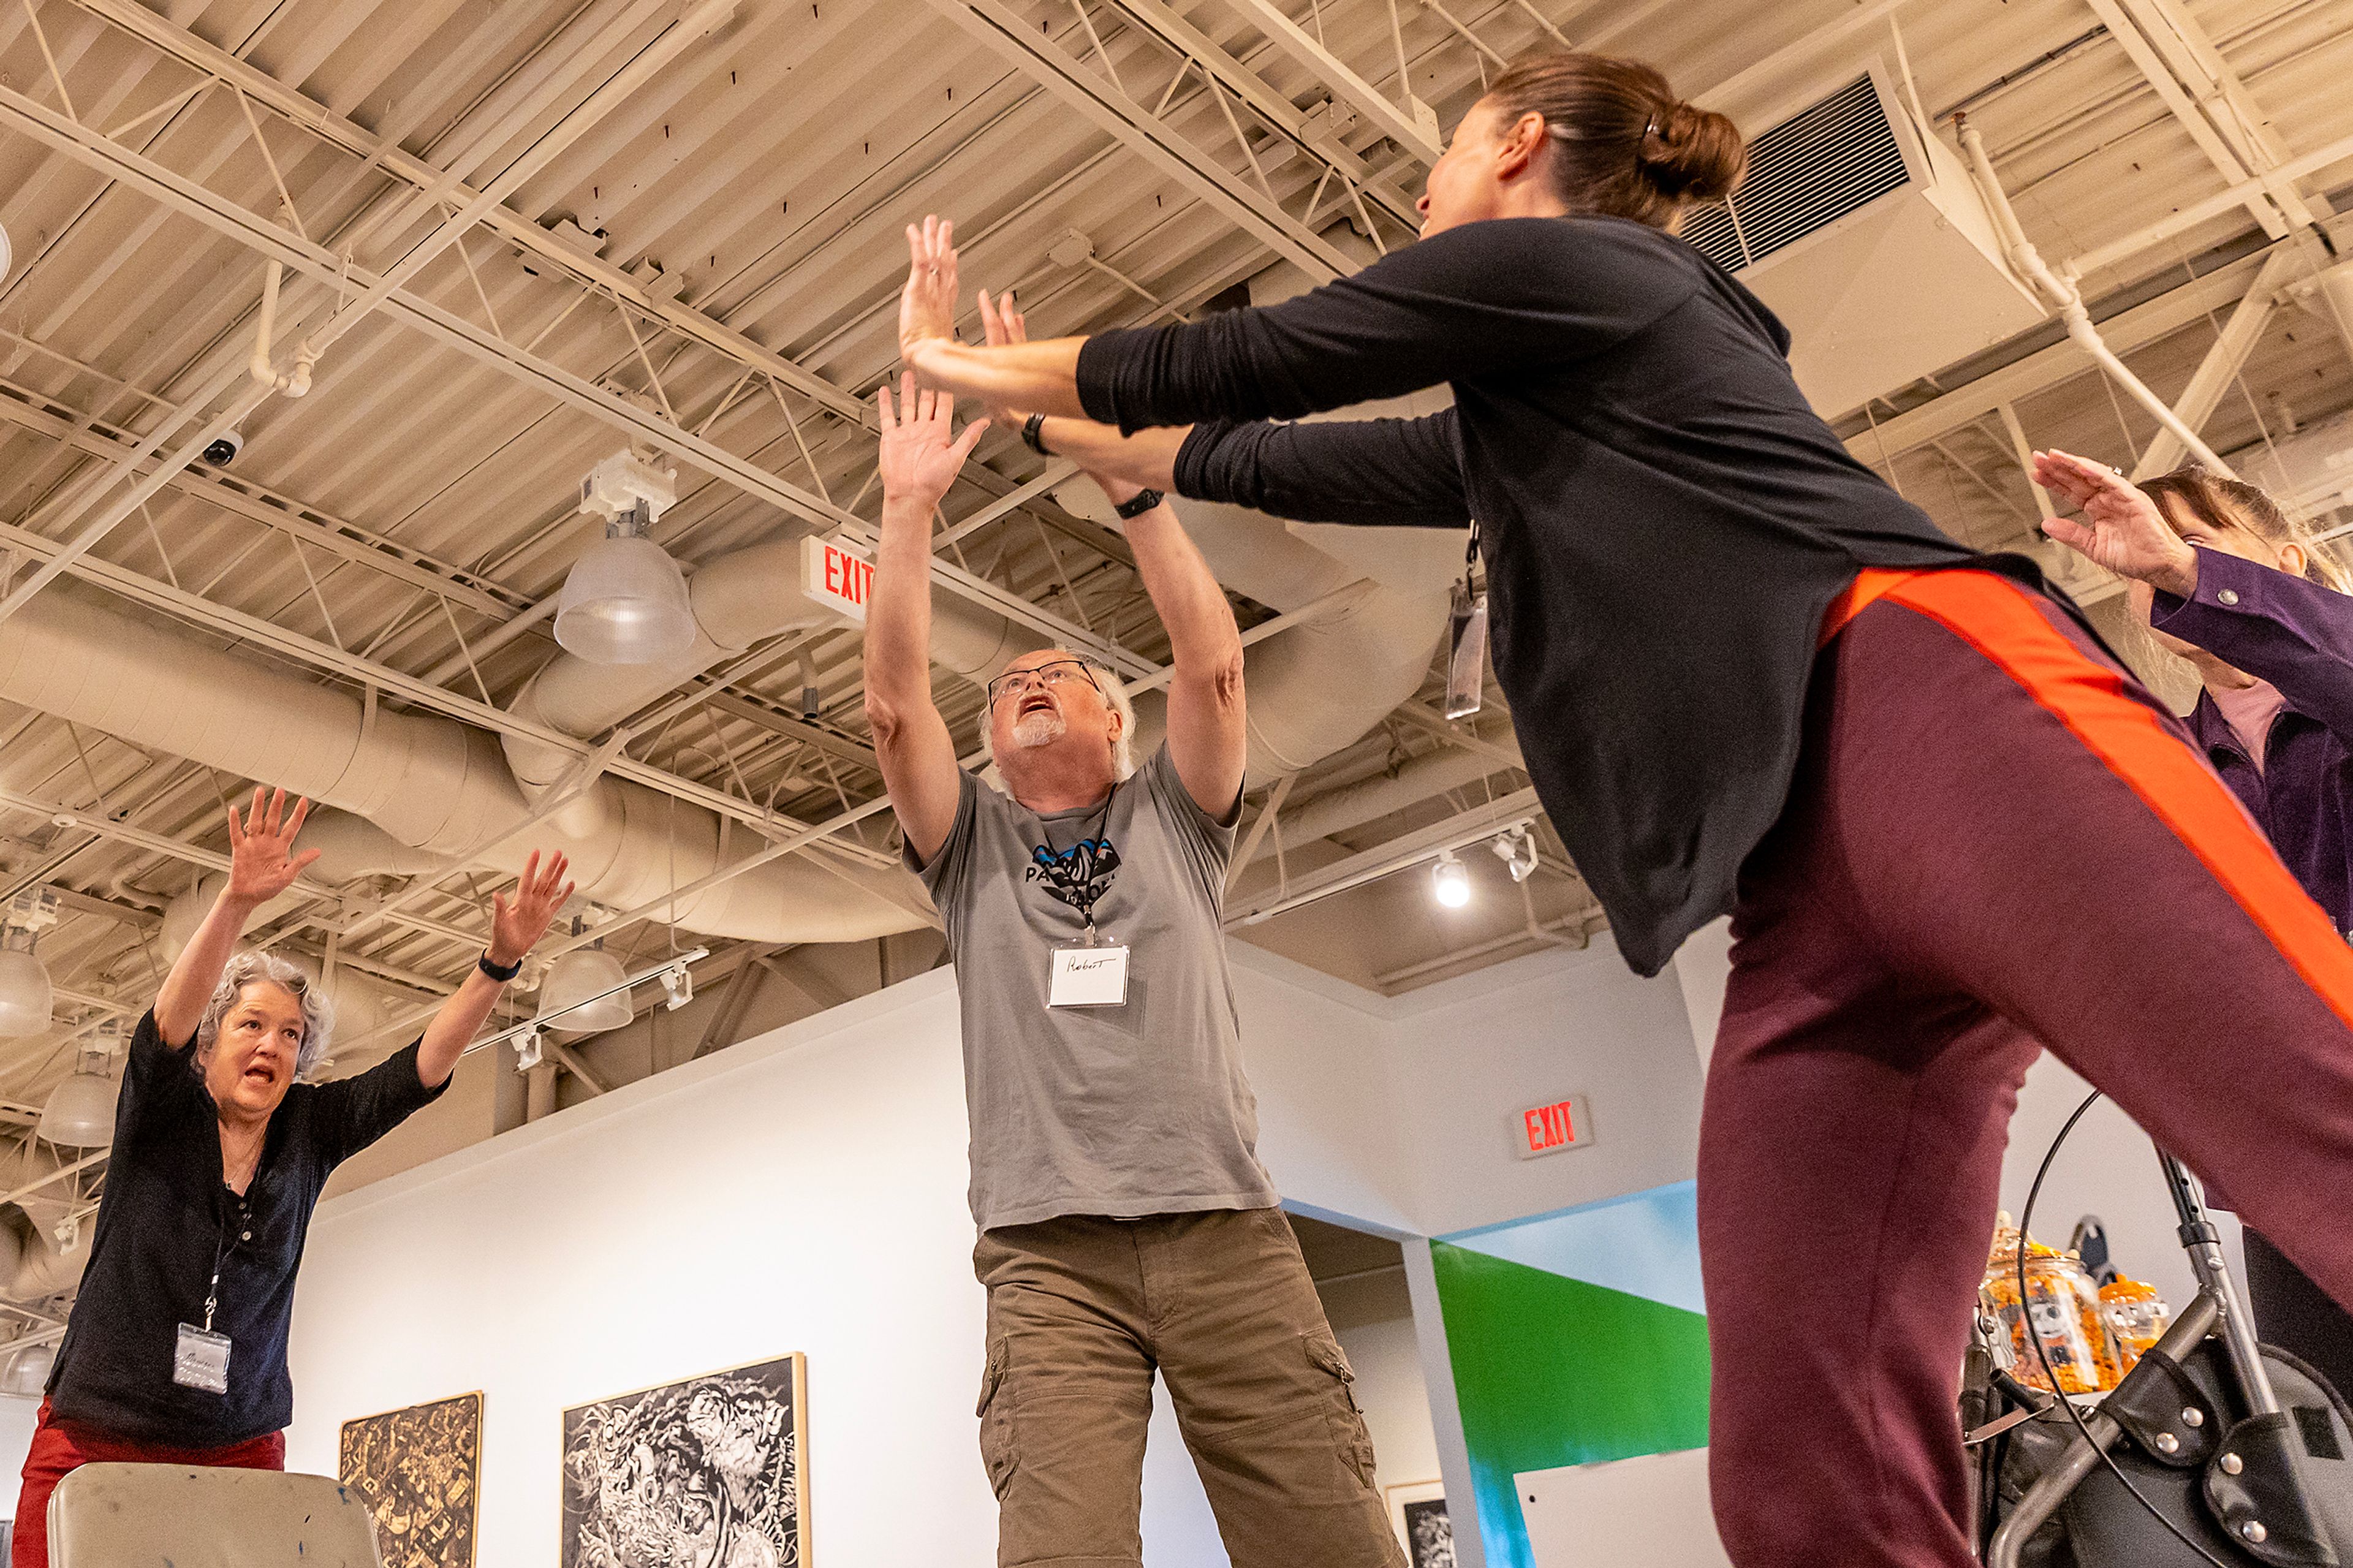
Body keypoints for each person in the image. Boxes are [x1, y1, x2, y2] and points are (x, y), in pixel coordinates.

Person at [895, 47, 2353, 1568]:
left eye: (1444, 153)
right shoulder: (1541, 407)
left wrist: (970, 364)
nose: (1419, 188)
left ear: (1523, 147)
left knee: (2307, 1117)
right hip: (1792, 883)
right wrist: (1120, 455)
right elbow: (1294, 454)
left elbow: (1263, 359)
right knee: (1804, 1466)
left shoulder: (1576, 265)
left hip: (1933, 704)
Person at [862, 358, 1404, 1568]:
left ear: (1118, 722)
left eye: (1058, 674)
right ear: (992, 747)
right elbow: (896, 709)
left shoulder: (1175, 815)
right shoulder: (970, 849)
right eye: (1006, 688)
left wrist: (1134, 487)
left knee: (1334, 1544)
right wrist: (906, 511)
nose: (1029, 684)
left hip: (1224, 1229)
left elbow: (1213, 668)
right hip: (1049, 1261)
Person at [12, 789, 572, 1567]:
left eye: (291, 1035)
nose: (272, 1043)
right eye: (250, 1025)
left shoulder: (310, 1131)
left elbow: (417, 1072)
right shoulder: (164, 1112)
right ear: (211, 1048)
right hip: (102, 1431)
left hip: (236, 1443)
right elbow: (164, 1027)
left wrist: (498, 965)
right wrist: (237, 900)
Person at [2036, 450, 2353, 1401]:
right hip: (2288, 1162)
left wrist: (2186, 574)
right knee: (2329, 1448)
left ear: (2284, 565)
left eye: (2198, 545)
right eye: (2147, 567)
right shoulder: (2169, 768)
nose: (2161, 563)